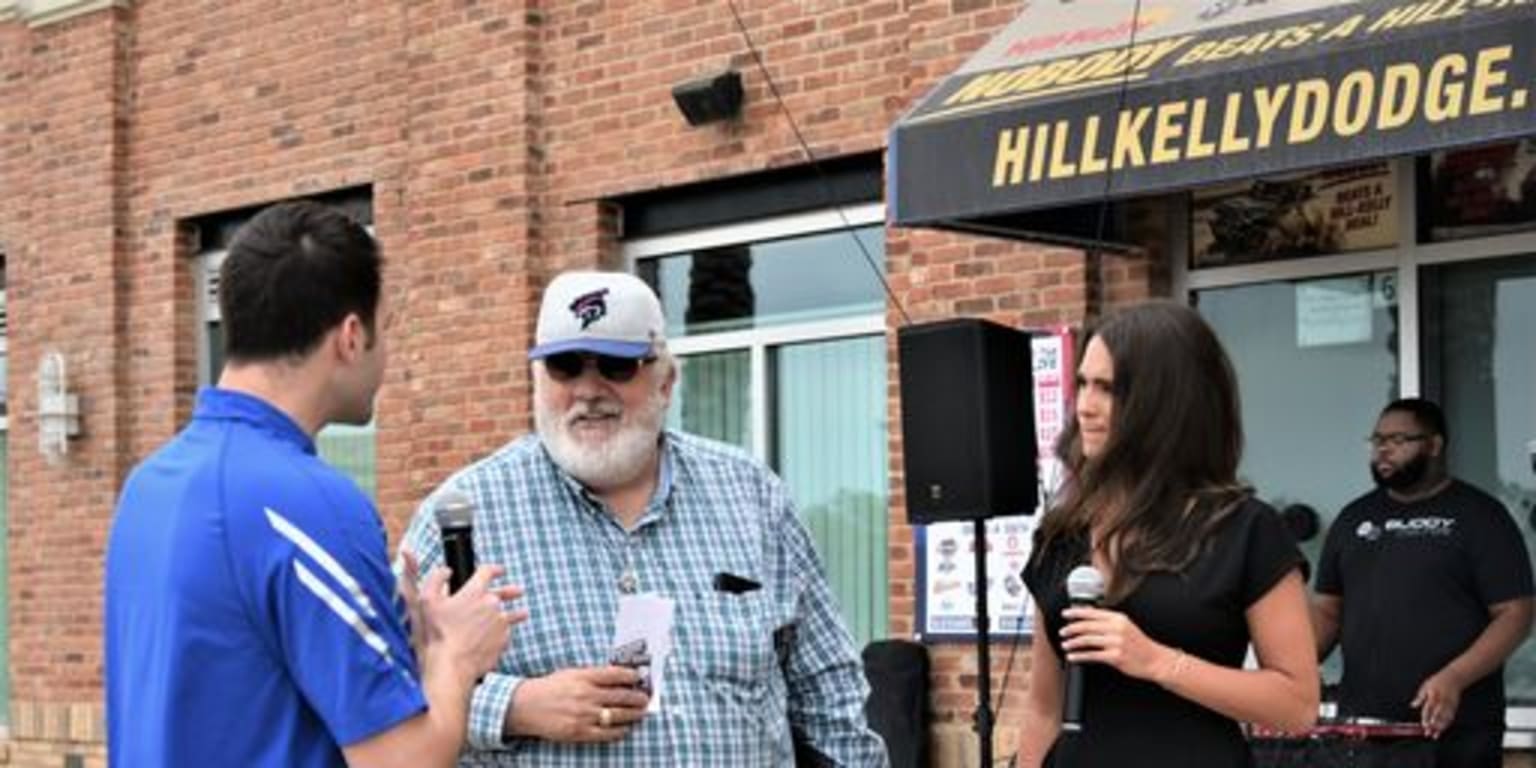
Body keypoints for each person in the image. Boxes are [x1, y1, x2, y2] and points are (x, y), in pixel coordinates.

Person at [402, 270, 888, 766]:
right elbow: (386, 703)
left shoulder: (752, 496)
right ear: (536, 378)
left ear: (666, 380)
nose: (588, 391)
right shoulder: (461, 516)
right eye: (565, 367)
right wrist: (513, 707)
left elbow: (830, 693)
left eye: (616, 366)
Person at [105, 201, 526, 767]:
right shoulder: (311, 505)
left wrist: (405, 637)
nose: (387, 355)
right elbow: (402, 760)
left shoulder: (147, 487)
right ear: (351, 336)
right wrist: (457, 656)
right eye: (387, 329)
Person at [1018, 300, 1319, 768]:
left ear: (1163, 403)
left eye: (1107, 388)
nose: (1084, 407)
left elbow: (1298, 705)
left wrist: (1159, 662)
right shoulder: (1061, 535)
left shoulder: (1245, 530)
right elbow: (1042, 707)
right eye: (1081, 384)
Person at [1314, 398, 1534, 767]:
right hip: (1363, 735)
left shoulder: (1480, 516)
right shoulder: (1355, 518)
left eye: (1399, 439)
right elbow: (1327, 611)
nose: (1383, 449)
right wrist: (1291, 672)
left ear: (1434, 445)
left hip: (1455, 733)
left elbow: (1516, 615)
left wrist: (1454, 677)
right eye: (1377, 439)